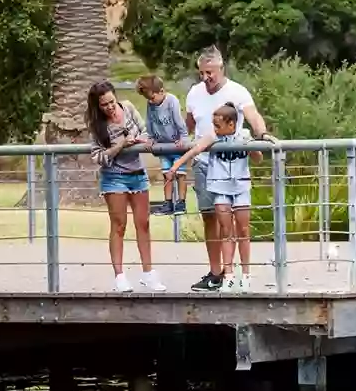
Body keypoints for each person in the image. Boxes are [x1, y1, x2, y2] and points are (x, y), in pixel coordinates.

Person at [184, 46, 277, 292]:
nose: (206, 78)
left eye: (210, 73)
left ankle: (237, 272)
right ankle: (217, 273)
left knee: (234, 222)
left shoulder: (237, 91)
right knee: (210, 217)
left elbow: (253, 116)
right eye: (202, 73)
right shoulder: (194, 93)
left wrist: (262, 134)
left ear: (221, 68)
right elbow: (189, 124)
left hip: (231, 168)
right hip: (205, 164)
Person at [85, 81, 168, 293]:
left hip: (137, 174)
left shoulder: (128, 107)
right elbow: (98, 157)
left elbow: (146, 132)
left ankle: (149, 274)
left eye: (112, 102)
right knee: (119, 224)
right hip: (114, 177)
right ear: (97, 106)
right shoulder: (96, 125)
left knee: (144, 223)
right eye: (104, 105)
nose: (110, 107)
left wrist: (138, 140)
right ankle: (120, 276)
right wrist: (120, 145)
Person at [166, 103, 258, 292]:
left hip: (240, 187)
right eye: (213, 125)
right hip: (221, 188)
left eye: (218, 125)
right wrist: (176, 165)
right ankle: (229, 275)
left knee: (243, 230)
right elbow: (195, 150)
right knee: (226, 231)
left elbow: (257, 158)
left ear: (231, 124)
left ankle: (246, 275)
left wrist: (252, 147)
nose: (215, 129)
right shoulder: (213, 137)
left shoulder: (244, 136)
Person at [135, 75, 189, 216]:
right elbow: (150, 121)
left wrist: (183, 136)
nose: (151, 101)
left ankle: (181, 202)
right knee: (167, 175)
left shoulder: (172, 101)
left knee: (180, 174)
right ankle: (168, 202)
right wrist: (151, 138)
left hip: (176, 145)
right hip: (163, 145)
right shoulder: (151, 104)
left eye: (152, 98)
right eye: (148, 99)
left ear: (161, 91)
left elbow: (178, 120)